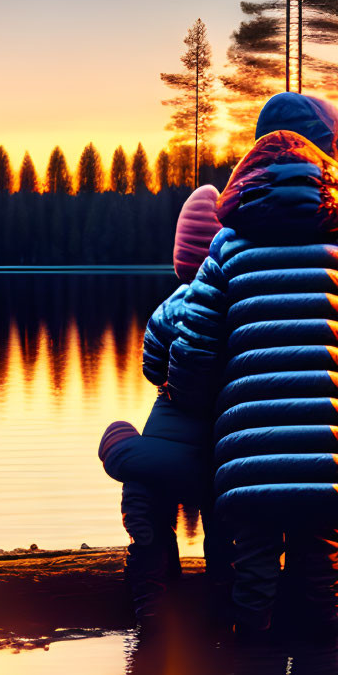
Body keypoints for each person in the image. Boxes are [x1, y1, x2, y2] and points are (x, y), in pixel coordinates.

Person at [171, 93, 338, 636]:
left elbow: (194, 342)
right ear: (336, 153)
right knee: (324, 551)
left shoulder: (227, 246)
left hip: (249, 441)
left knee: (254, 553)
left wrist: (190, 406)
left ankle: (251, 648)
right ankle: (328, 658)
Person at [98, 183, 229, 624]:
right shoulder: (242, 303)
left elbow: (153, 368)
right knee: (222, 526)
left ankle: (152, 600)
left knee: (146, 499)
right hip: (223, 443)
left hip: (167, 438)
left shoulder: (167, 309)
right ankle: (224, 605)